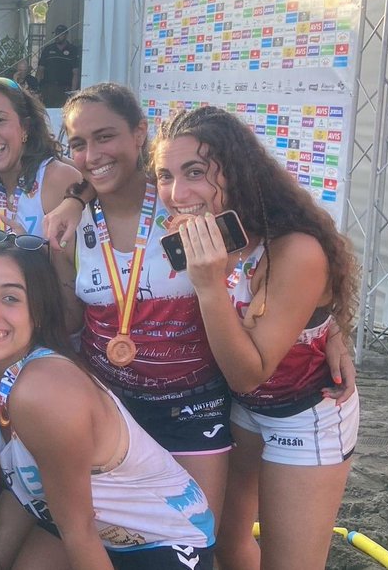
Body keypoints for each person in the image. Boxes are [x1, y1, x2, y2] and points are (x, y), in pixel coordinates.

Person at [151, 107, 359, 570]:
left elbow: (249, 373)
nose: (177, 193)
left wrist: (208, 285)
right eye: (165, 176)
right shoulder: (207, 230)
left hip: (305, 415)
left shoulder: (294, 248)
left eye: (196, 173)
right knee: (226, 541)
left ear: (237, 171)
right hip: (242, 412)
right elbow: (108, 174)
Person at [0, 241, 215, 569]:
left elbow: (78, 529)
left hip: (161, 539)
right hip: (76, 522)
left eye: (11, 298)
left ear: (39, 313)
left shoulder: (43, 390)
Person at [53, 83, 232, 530]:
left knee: (192, 538)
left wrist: (328, 329)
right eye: (78, 143)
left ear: (139, 133)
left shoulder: (184, 201)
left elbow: (275, 241)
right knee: (119, 543)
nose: (92, 153)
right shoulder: (70, 224)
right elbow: (72, 324)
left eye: (105, 136)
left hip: (193, 407)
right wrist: (74, 203)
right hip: (113, 409)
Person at [0, 76, 79, 236]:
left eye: (0, 120)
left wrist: (29, 250)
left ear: (25, 127)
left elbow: (79, 259)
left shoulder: (56, 178)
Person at [37, 25, 80, 108]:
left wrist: (73, 92)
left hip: (65, 88)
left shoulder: (73, 50)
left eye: (60, 34)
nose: (57, 36)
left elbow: (75, 73)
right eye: (56, 34)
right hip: (48, 88)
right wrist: (37, 87)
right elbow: (40, 70)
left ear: (66, 35)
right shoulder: (48, 49)